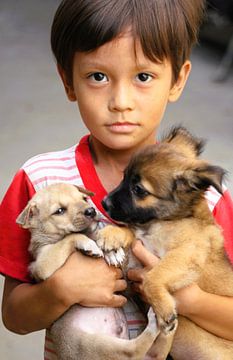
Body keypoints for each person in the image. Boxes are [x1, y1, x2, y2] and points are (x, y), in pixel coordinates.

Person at [0, 0, 233, 359]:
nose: (120, 101)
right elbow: (14, 318)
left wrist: (191, 300)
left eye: (143, 76)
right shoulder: (39, 181)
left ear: (178, 79)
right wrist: (61, 289)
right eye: (98, 76)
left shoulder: (208, 199)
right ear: (67, 80)